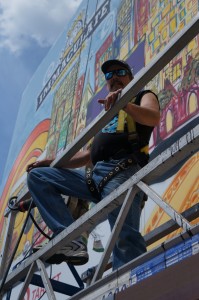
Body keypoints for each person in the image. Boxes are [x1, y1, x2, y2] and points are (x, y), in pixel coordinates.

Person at [27, 59, 160, 270]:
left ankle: (132, 284)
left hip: (122, 171)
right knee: (39, 176)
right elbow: (89, 155)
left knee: (125, 237)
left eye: (120, 72)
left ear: (131, 77)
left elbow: (153, 117)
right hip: (94, 175)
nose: (114, 77)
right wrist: (52, 163)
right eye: (109, 75)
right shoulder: (107, 115)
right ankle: (70, 240)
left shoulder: (142, 96)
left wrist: (125, 103)